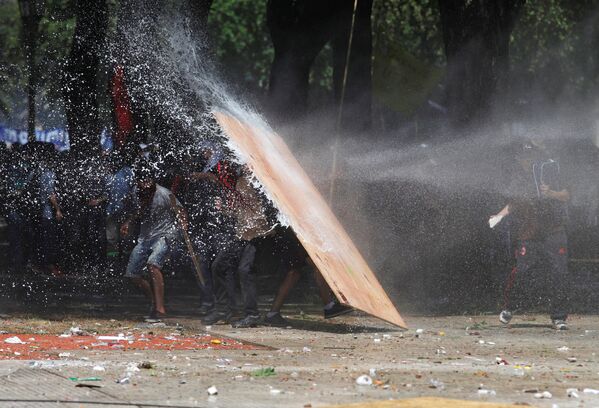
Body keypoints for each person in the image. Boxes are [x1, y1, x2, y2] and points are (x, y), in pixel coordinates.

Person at [490, 140, 570, 330]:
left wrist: (550, 193)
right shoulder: (519, 179)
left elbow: (566, 195)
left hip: (554, 231)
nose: (524, 161)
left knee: (559, 272)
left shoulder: (550, 171)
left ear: (535, 157)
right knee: (521, 271)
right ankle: (509, 308)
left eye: (528, 156)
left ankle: (559, 317)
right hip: (529, 233)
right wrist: (499, 216)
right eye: (521, 157)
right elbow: (514, 203)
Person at [201, 165, 272, 328]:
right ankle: (226, 309)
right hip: (242, 235)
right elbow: (239, 212)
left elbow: (260, 212)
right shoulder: (237, 185)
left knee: (244, 270)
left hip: (256, 235)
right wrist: (224, 209)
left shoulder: (252, 184)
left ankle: (251, 313)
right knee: (218, 266)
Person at [121, 167, 187, 322]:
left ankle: (160, 309)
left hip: (165, 235)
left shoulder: (165, 194)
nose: (144, 185)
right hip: (145, 237)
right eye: (141, 182)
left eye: (147, 181)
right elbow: (138, 210)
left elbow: (181, 211)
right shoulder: (137, 192)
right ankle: (153, 301)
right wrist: (128, 222)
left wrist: (184, 225)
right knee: (132, 274)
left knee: (153, 265)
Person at [263, 226, 353, 327]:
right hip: (290, 235)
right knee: (306, 268)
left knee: (302, 270)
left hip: (293, 234)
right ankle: (329, 305)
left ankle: (273, 313)